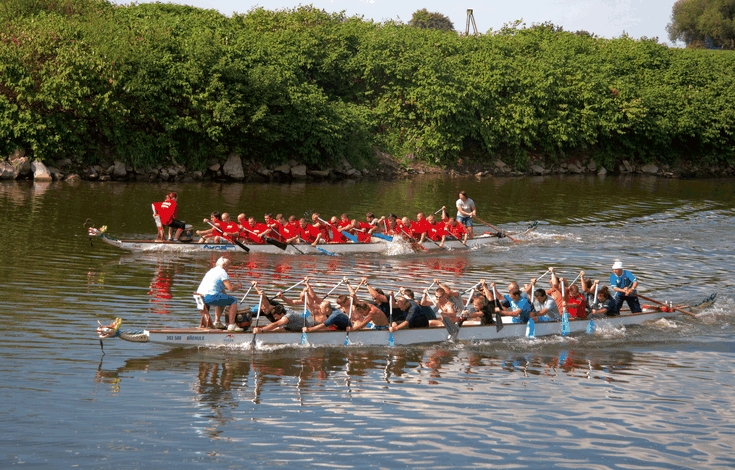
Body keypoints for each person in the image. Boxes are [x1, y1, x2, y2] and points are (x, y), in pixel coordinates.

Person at [196, 257, 244, 331]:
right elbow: (230, 288)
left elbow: (222, 292)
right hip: (209, 297)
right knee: (233, 300)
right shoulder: (222, 272)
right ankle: (232, 325)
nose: (228, 269)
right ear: (224, 265)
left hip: (198, 297)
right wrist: (238, 286)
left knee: (223, 298)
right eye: (228, 266)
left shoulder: (211, 271)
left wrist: (227, 297)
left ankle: (217, 322)